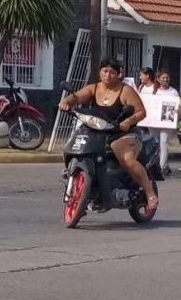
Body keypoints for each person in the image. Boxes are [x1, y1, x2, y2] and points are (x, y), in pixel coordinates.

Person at [58, 57, 158, 210]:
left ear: (118, 74)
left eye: (112, 72)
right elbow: (77, 97)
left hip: (122, 133)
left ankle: (150, 193)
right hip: (97, 130)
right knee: (75, 144)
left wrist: (128, 121)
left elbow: (141, 112)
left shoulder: (125, 90)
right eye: (105, 71)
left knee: (127, 160)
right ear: (100, 73)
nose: (108, 75)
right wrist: (66, 102)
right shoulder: (93, 88)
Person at [142, 70, 180, 177]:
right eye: (163, 77)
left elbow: (178, 106)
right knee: (155, 143)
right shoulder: (153, 91)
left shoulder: (173, 92)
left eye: (167, 77)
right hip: (153, 122)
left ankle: (162, 167)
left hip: (167, 121)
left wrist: (178, 111)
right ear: (158, 79)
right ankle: (157, 166)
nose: (165, 79)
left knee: (164, 143)